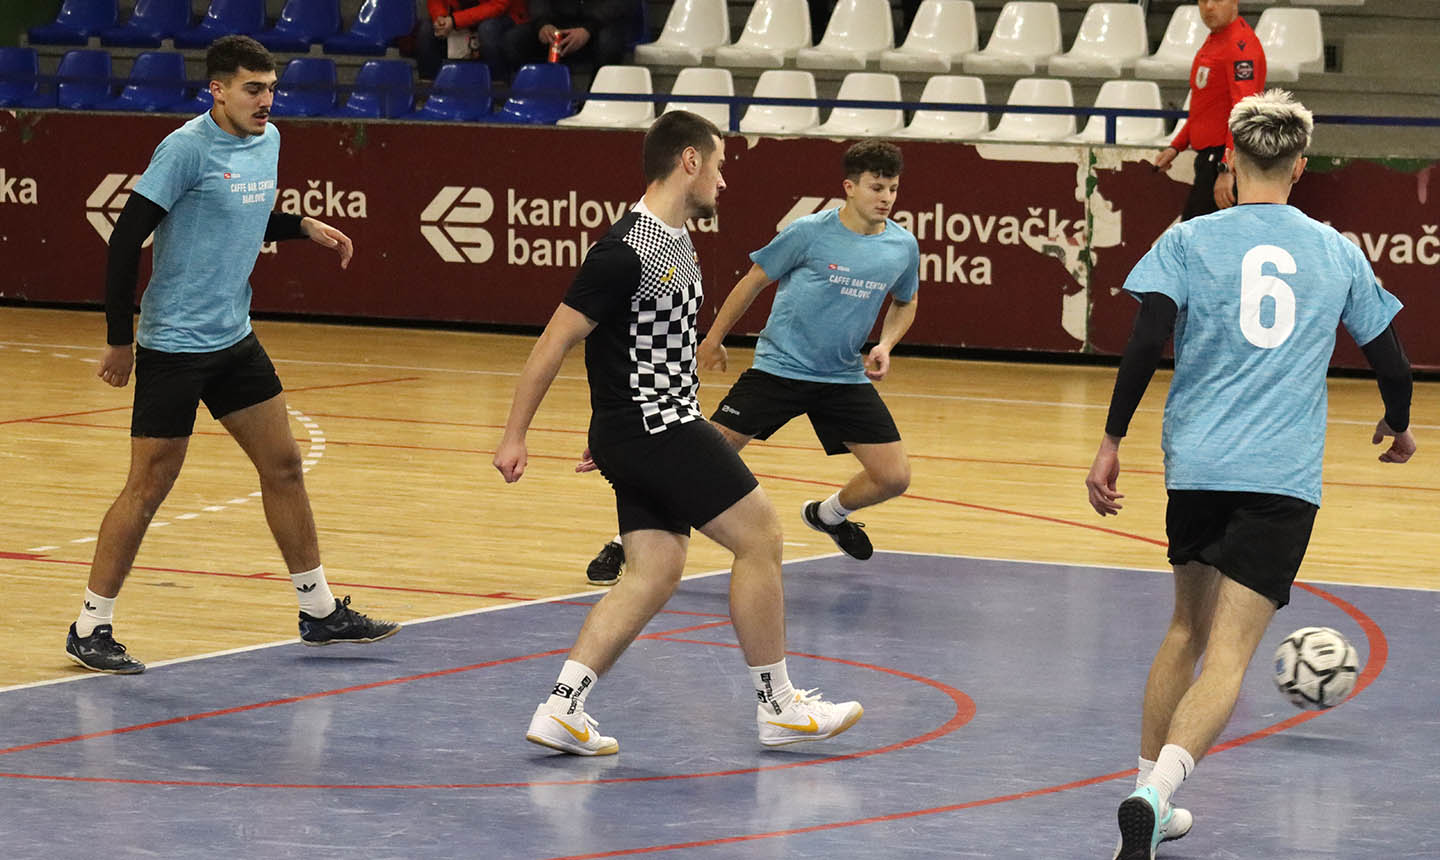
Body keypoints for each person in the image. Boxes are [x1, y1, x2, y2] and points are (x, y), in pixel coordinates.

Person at [1085, 89, 1414, 859]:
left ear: (1229, 161)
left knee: (1184, 631)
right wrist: (1398, 422)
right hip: (1279, 479)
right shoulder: (1334, 250)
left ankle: (1144, 788)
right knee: (1230, 656)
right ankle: (1155, 796)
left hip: (1197, 467)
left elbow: (1143, 344)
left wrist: (1110, 440)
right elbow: (1392, 361)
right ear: (1300, 167)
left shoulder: (1188, 239)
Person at [494, 111, 863, 756]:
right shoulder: (625, 250)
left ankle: (560, 709)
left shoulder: (676, 241)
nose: (723, 178)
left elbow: (631, 342)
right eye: (718, 164)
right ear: (689, 161)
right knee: (761, 537)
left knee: (655, 570)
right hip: (657, 428)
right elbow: (555, 340)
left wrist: (612, 427)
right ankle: (778, 705)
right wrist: (515, 435)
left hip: (636, 429)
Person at [66, 35, 400, 676]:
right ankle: (89, 626)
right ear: (217, 90)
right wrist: (119, 338)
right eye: (253, 89)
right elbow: (125, 239)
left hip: (233, 340)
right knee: (148, 486)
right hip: (173, 346)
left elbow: (240, 215)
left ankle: (319, 611)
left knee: (284, 465)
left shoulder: (268, 141)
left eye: (271, 88)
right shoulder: (185, 149)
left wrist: (300, 226)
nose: (266, 100)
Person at [584, 139, 919, 586]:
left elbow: (906, 301)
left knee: (894, 477)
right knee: (697, 459)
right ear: (850, 187)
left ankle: (828, 515)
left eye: (893, 189)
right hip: (779, 371)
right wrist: (713, 339)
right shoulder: (809, 233)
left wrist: (887, 344)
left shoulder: (902, 246)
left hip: (843, 378)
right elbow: (753, 281)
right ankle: (621, 542)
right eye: (877, 188)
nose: (886, 198)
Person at [1153, 0, 1266, 221]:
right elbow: (1205, 107)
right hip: (1210, 159)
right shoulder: (1215, 40)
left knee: (1196, 236)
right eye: (1203, 0)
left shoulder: (1240, 46)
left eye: (1218, 0)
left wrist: (1227, 168)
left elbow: (1244, 112)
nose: (1209, 7)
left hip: (1223, 159)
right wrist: (1176, 146)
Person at [502, 0, 634, 76]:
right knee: (515, 39)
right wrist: (543, 24)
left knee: (609, 42)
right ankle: (534, 92)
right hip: (557, 23)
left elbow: (619, 4)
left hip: (600, 25)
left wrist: (589, 28)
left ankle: (594, 99)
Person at [416, 0, 528, 82]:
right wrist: (440, 18)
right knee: (426, 29)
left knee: (488, 29)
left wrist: (455, 21)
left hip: (504, 17)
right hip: (456, 18)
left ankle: (499, 89)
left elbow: (498, 5)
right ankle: (428, 93)